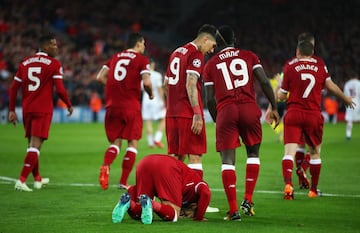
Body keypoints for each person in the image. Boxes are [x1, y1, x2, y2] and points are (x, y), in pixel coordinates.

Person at [203, 25, 280, 221]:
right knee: (253, 154)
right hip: (248, 107)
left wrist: (216, 116)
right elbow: (263, 81)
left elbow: (209, 98)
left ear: (218, 41)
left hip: (226, 110)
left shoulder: (210, 65)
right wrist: (275, 106)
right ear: (234, 40)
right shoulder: (249, 55)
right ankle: (248, 199)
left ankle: (233, 210)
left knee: (227, 161)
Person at [278, 40, 355, 200]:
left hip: (294, 112)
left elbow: (282, 96)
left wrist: (280, 87)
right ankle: (313, 190)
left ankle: (288, 186)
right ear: (312, 53)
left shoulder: (291, 67)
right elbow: (331, 86)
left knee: (288, 153)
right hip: (313, 114)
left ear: (298, 52)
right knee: (314, 154)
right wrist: (344, 99)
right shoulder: (320, 66)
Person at [8, 34, 73, 192]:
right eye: (53, 45)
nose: (56, 48)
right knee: (35, 146)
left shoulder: (25, 63)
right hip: (42, 109)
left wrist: (11, 110)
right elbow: (60, 88)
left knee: (32, 145)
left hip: (27, 109)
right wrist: (69, 104)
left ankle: (37, 178)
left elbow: (13, 88)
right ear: (45, 47)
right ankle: (22, 180)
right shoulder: (53, 64)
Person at [96, 32, 153, 190]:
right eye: (143, 44)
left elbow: (100, 77)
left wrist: (115, 89)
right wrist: (151, 94)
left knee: (115, 143)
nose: (144, 47)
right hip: (130, 106)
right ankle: (123, 181)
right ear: (138, 43)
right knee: (132, 143)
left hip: (112, 106)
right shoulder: (142, 60)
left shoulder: (115, 57)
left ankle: (106, 166)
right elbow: (147, 83)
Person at [164, 24, 217, 178]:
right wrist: (197, 113)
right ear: (205, 39)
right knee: (195, 156)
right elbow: (190, 84)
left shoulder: (176, 52)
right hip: (188, 114)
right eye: (212, 46)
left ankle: (170, 193)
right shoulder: (196, 54)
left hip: (172, 114)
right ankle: (195, 198)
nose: (211, 51)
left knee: (177, 157)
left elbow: (166, 84)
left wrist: (174, 105)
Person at [111, 154, 211, 224]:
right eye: (187, 214)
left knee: (140, 211)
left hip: (145, 162)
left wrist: (131, 193)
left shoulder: (186, 193)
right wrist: (199, 217)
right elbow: (206, 193)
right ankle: (151, 203)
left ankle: (129, 203)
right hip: (166, 166)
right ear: (195, 206)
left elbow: (133, 188)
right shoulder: (197, 183)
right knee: (174, 214)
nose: (184, 215)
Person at [141, 59, 166, 148]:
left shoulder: (142, 75)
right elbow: (159, 89)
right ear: (153, 65)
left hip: (145, 100)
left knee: (148, 122)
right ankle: (157, 139)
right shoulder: (157, 75)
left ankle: (150, 143)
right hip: (155, 99)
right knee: (163, 119)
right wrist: (163, 101)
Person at [343, 70, 360, 140]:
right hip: (357, 102)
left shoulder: (347, 83)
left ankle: (348, 135)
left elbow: (345, 95)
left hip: (349, 102)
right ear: (357, 76)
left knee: (349, 120)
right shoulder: (359, 83)